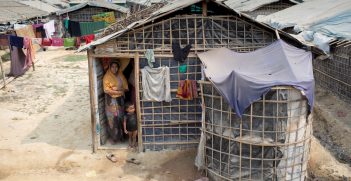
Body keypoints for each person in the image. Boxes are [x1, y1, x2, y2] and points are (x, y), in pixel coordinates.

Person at [103, 61, 129, 143]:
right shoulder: (107, 77)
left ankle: (121, 137)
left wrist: (117, 89)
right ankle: (114, 138)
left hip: (120, 100)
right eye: (112, 67)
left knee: (120, 117)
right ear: (110, 67)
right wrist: (119, 92)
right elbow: (106, 90)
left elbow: (126, 88)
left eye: (116, 67)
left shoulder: (120, 75)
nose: (115, 68)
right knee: (112, 119)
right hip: (110, 101)